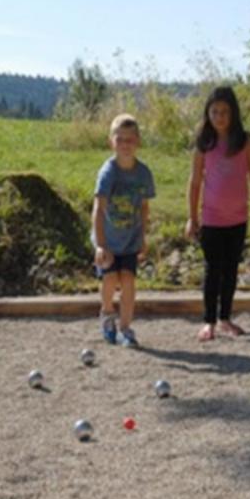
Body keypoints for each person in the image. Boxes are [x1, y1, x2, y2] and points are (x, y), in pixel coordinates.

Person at [184, 85, 250, 341]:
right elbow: (195, 181)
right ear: (208, 113)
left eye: (224, 112)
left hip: (238, 217)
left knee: (231, 269)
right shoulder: (204, 143)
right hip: (211, 218)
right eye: (215, 111)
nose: (219, 116)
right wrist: (192, 217)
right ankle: (208, 321)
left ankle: (225, 318)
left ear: (234, 114)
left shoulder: (245, 141)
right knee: (212, 269)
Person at [92, 113, 155, 348]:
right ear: (112, 142)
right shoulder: (108, 172)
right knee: (110, 278)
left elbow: (144, 208)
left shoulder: (143, 173)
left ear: (138, 141)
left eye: (130, 140)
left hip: (130, 238)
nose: (125, 145)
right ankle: (107, 314)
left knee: (128, 280)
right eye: (120, 140)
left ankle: (126, 327)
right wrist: (100, 244)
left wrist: (143, 237)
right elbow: (98, 209)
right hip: (108, 237)